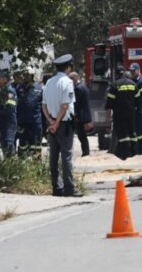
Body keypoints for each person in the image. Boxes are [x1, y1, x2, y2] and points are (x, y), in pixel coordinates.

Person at [42, 54, 82, 197]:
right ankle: (69, 188)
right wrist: (57, 122)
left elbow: (44, 105)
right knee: (66, 156)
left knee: (53, 156)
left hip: (52, 123)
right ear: (68, 67)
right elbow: (65, 105)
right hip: (63, 124)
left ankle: (56, 188)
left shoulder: (49, 82)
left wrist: (51, 121)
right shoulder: (67, 82)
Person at [105, 67, 139, 160]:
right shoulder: (133, 84)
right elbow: (137, 99)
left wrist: (108, 116)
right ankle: (134, 152)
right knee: (132, 132)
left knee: (123, 134)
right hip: (131, 113)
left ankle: (125, 153)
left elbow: (109, 102)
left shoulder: (115, 85)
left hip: (119, 114)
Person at [15, 68, 43, 158]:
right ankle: (23, 162)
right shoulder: (18, 88)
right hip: (23, 122)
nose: (26, 77)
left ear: (32, 76)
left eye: (28, 75)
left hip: (36, 122)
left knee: (36, 144)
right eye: (25, 75)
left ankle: (36, 163)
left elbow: (44, 105)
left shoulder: (39, 88)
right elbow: (15, 105)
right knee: (23, 144)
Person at [69, 72, 93, 157]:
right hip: (85, 113)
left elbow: (76, 103)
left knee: (81, 135)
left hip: (80, 115)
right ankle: (86, 151)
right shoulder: (84, 86)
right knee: (82, 135)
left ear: (74, 79)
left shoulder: (77, 88)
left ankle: (85, 152)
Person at [0, 70, 17, 157]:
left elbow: (10, 108)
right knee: (4, 144)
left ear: (4, 79)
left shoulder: (9, 91)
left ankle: (11, 163)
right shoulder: (3, 90)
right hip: (3, 122)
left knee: (8, 144)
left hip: (9, 122)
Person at [128, 62, 142, 154]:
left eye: (133, 71)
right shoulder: (132, 81)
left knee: (140, 133)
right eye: (131, 71)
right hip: (134, 110)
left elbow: (141, 96)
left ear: (138, 70)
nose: (132, 73)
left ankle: (141, 152)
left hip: (140, 110)